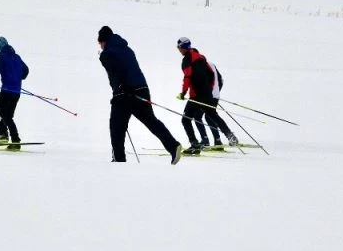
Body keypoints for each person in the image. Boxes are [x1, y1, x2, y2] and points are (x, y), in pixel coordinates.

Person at [98, 26, 183, 164]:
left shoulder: (107, 53)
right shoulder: (127, 49)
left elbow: (115, 72)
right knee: (151, 121)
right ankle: (173, 146)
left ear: (104, 41)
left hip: (125, 93)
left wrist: (121, 87)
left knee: (116, 126)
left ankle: (119, 160)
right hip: (142, 89)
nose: (100, 46)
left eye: (100, 43)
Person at [176, 37, 238, 155]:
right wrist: (208, 90)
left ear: (183, 47)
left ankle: (195, 145)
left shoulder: (187, 60)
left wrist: (183, 93)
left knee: (185, 119)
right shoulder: (201, 57)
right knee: (213, 115)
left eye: (179, 48)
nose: (178, 50)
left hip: (196, 95)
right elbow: (211, 75)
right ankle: (231, 136)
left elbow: (187, 77)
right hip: (207, 94)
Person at [0, 36, 29, 149]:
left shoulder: (0, 57)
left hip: (6, 91)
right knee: (7, 115)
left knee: (2, 113)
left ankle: (13, 139)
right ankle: (9, 138)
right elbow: (26, 70)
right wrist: (18, 77)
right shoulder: (17, 57)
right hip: (16, 92)